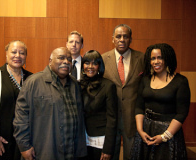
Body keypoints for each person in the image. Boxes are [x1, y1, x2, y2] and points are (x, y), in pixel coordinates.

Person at [13, 47, 87, 160]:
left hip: (71, 150)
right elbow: (21, 117)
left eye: (69, 59)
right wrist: (24, 147)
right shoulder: (33, 83)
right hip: (44, 151)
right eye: (61, 58)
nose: (66, 62)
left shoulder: (75, 84)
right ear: (50, 61)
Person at [131, 43, 190, 160]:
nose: (156, 62)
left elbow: (182, 113)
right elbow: (139, 106)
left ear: (167, 59)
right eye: (153, 58)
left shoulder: (180, 81)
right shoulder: (145, 79)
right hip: (145, 131)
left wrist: (164, 137)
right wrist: (140, 130)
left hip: (168, 133)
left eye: (160, 57)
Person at [102, 24, 144, 160]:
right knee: (109, 155)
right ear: (112, 39)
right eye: (118, 36)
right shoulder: (103, 59)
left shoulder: (142, 59)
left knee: (132, 155)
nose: (122, 39)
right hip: (110, 118)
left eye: (125, 36)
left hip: (133, 118)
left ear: (130, 39)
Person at [79, 50, 118, 160]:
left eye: (94, 63)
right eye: (87, 63)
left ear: (99, 66)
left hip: (100, 141)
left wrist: (108, 149)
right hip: (83, 140)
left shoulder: (108, 86)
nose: (90, 67)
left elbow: (112, 119)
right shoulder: (79, 84)